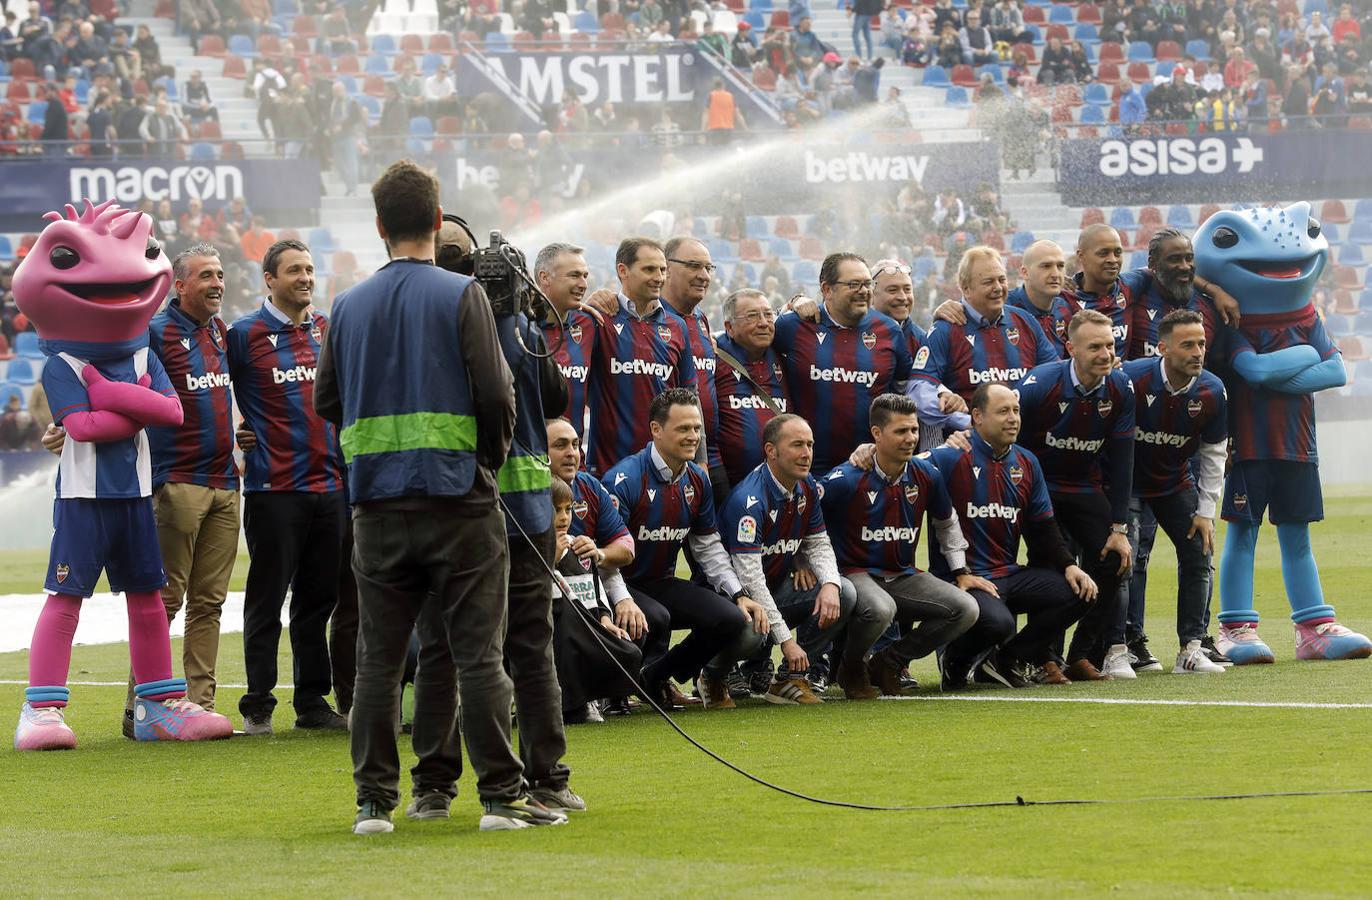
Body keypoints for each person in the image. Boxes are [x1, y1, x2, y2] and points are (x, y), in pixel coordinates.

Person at [314, 160, 562, 834]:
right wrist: (487, 462)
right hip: (460, 503)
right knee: (479, 655)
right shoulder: (463, 297)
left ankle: (373, 805)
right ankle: (502, 799)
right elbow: (495, 394)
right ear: (434, 218)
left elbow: (327, 401)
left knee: (378, 661)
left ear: (377, 227)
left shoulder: (345, 306)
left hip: (375, 509)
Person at [227, 239, 348, 736]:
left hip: (331, 486)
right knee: (266, 597)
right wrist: (235, 434)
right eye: (294, 270)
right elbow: (214, 391)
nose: (305, 277)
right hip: (274, 489)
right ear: (269, 280)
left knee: (318, 600)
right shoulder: (242, 334)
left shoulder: (328, 330)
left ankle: (312, 702)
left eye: (310, 269)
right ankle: (258, 702)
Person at [603, 388, 769, 709]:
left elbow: (707, 546)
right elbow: (603, 556)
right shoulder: (624, 479)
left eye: (696, 429)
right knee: (656, 616)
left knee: (731, 619)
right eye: (683, 429)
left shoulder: (697, 479)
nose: (693, 436)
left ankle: (655, 676)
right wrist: (621, 599)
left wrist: (739, 594)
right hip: (618, 585)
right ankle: (611, 690)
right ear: (656, 430)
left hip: (658, 583)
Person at [927, 384, 1098, 689]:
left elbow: (1044, 527)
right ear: (976, 416)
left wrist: (1070, 565)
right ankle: (956, 659)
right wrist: (869, 451)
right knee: (1000, 621)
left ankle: (1003, 660)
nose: (1013, 419)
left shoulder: (1027, 462)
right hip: (962, 578)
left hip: (1007, 574)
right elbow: (898, 469)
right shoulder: (951, 455)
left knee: (1081, 592)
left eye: (1016, 411)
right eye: (1003, 411)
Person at [822, 395, 980, 695]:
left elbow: (946, 522)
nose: (911, 439)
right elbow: (807, 515)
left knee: (966, 609)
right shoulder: (846, 478)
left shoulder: (927, 474)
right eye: (901, 431)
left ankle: (889, 661)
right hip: (857, 573)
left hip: (903, 574)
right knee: (883, 609)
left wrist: (960, 570)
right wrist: (804, 563)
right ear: (876, 434)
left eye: (914, 430)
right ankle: (852, 666)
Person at [1011, 309, 1136, 681]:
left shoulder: (1120, 388)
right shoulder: (1038, 385)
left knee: (1114, 561)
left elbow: (1123, 460)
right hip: (1039, 488)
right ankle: (1044, 658)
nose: (1105, 354)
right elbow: (1011, 445)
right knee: (1050, 565)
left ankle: (1079, 655)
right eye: (1095, 346)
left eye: (1110, 346)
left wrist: (1119, 526)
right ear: (1071, 349)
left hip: (1084, 487)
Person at [717, 414, 865, 704]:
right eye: (797, 445)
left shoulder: (806, 485)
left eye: (809, 445)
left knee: (844, 592)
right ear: (771, 451)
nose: (806, 453)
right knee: (753, 631)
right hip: (735, 600)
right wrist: (786, 640)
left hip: (775, 588)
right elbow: (751, 582)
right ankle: (713, 674)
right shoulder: (748, 502)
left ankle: (790, 678)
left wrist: (830, 585)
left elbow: (819, 543)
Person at [1120, 309, 1228, 675]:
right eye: (1188, 345)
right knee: (1130, 558)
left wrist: (1205, 511)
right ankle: (1123, 646)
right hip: (1129, 483)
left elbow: (1214, 452)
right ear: (1163, 348)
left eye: (1201, 343)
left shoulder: (1213, 390)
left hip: (1173, 481)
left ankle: (1191, 649)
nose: (1197, 351)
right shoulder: (1131, 379)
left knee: (1199, 551)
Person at [772, 252, 913, 474]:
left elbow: (906, 392)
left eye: (867, 284)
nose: (864, 291)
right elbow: (754, 334)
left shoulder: (890, 331)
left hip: (867, 466)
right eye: (854, 284)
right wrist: (793, 302)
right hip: (806, 469)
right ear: (827, 289)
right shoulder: (793, 326)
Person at [908, 247, 1057, 441]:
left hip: (1026, 447)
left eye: (1002, 280)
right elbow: (918, 387)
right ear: (965, 287)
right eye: (988, 282)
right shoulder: (946, 330)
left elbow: (1055, 377)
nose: (998, 287)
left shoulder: (1025, 321)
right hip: (969, 450)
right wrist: (963, 420)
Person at [583, 238, 697, 475]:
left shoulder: (676, 326)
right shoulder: (598, 320)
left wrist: (700, 458)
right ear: (622, 271)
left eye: (662, 270)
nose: (659, 277)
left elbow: (689, 397)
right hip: (607, 466)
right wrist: (584, 306)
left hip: (665, 468)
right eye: (649, 269)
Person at [547, 476, 642, 724]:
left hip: (586, 627)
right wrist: (550, 560)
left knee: (629, 651)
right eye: (556, 510)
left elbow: (595, 591)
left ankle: (594, 697)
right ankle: (569, 705)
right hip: (549, 632)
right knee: (567, 632)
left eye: (568, 509)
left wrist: (605, 620)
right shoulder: (531, 550)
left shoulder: (581, 547)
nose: (564, 517)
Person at [713, 289, 790, 488]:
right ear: (729, 327)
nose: (763, 322)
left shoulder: (787, 352)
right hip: (728, 486)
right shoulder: (712, 355)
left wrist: (799, 300)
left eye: (768, 314)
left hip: (781, 484)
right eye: (752, 316)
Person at [535, 242, 594, 435]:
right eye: (574, 275)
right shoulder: (519, 327)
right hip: (529, 457)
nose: (583, 284)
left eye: (585, 276)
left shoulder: (590, 325)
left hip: (574, 458)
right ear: (545, 278)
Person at [1005, 240, 1080, 359]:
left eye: (1060, 266)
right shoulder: (1003, 307)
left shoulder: (1067, 307)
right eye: (1046, 266)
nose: (1055, 274)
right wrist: (963, 308)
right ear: (1025, 273)